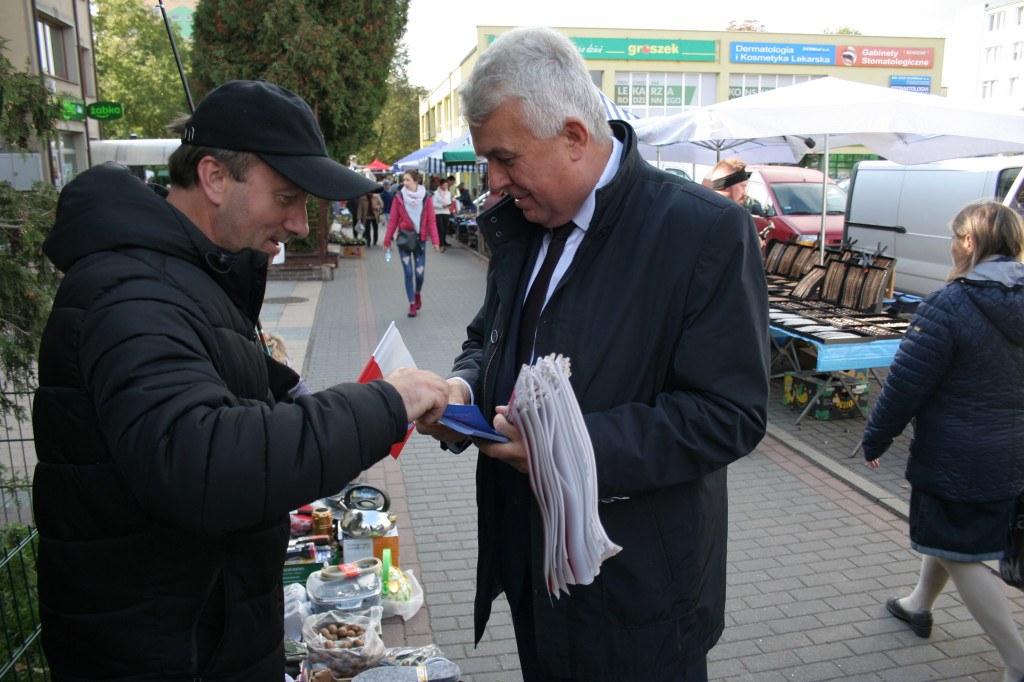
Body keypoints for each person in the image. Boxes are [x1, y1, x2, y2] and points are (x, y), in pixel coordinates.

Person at [31, 80, 450, 681]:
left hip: (203, 632)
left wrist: (275, 385)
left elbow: (199, 371)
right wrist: (386, 403)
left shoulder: (182, 274)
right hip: (166, 652)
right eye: (285, 196)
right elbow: (201, 459)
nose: (301, 224)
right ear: (214, 177)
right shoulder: (131, 290)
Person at [417, 27, 769, 682]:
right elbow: (486, 334)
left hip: (638, 595)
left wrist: (566, 444)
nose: (492, 182)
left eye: (504, 158)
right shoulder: (527, 222)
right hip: (534, 569)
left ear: (575, 136)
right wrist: (463, 389)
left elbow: (731, 414)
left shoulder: (702, 231)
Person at [862, 200, 1024, 682]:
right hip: (1012, 450)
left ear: (970, 243)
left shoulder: (950, 303)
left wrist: (875, 439)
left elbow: (906, 383)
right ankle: (918, 604)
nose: (952, 246)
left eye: (955, 237)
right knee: (953, 535)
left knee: (961, 549)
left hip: (960, 454)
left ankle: (1017, 661)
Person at [383, 169, 440, 318]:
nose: (405, 183)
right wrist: (387, 240)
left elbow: (431, 221)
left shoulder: (426, 198)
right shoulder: (399, 197)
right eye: (404, 180)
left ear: (416, 181)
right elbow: (393, 221)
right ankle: (412, 304)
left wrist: (435, 241)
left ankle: (417, 293)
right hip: (404, 241)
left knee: (419, 274)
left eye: (408, 180)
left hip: (420, 241)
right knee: (408, 272)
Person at [432, 176, 454, 251]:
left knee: (445, 228)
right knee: (440, 228)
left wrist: (450, 204)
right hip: (438, 213)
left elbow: (449, 201)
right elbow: (433, 204)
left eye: (446, 185)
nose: (445, 187)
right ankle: (441, 244)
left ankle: (443, 241)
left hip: (446, 212)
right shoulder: (435, 194)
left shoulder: (448, 193)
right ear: (440, 185)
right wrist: (442, 206)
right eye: (444, 185)